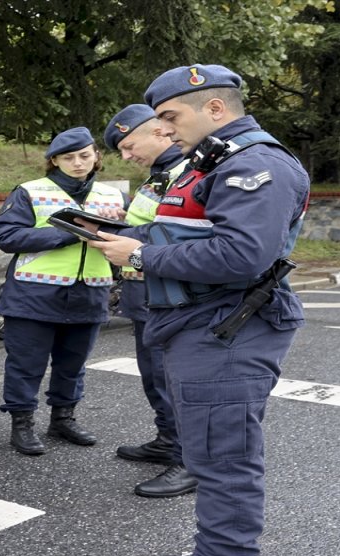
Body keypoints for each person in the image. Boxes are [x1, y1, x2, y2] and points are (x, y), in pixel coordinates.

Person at [88, 65, 309, 556]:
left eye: (169, 117)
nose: (164, 130)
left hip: (227, 329)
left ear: (214, 109)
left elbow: (241, 257)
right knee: (217, 455)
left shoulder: (255, 164)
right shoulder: (219, 160)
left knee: (222, 463)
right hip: (205, 324)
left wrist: (137, 256)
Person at [0, 127, 126, 456]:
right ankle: (21, 423)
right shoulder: (30, 191)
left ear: (96, 156)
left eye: (84, 155)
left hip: (90, 293)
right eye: (68, 158)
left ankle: (63, 419)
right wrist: (69, 234)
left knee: (73, 364)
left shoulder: (113, 196)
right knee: (27, 363)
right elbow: (6, 236)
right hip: (34, 294)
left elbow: (130, 238)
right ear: (54, 161)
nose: (78, 163)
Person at [101, 105, 197, 499]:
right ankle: (167, 440)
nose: (126, 157)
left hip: (171, 292)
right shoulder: (161, 176)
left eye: (129, 145)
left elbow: (177, 234)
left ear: (159, 132)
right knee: (154, 375)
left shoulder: (188, 171)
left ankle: (189, 460)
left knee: (174, 378)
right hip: (146, 290)